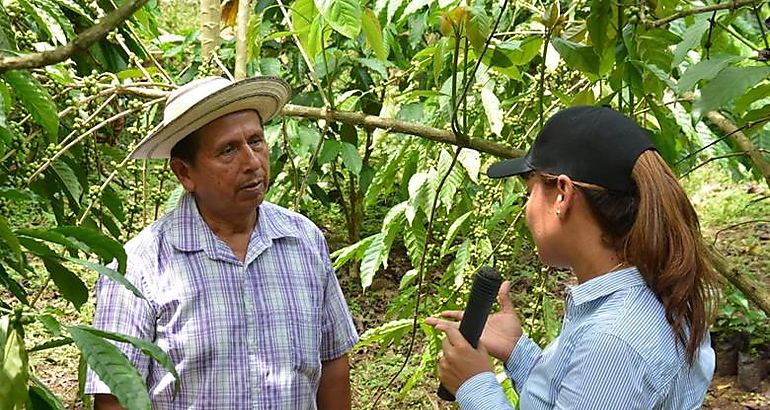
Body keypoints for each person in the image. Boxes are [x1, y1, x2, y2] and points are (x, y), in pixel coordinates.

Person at [85, 76, 359, 409]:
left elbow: (332, 362)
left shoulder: (303, 240)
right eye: (228, 150)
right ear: (185, 173)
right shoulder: (139, 266)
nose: (253, 163)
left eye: (256, 141)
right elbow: (116, 396)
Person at [426, 106, 721, 409]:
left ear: (562, 195)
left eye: (530, 193)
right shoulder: (646, 296)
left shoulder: (614, 342)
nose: (525, 209)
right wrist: (518, 351)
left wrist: (474, 385)